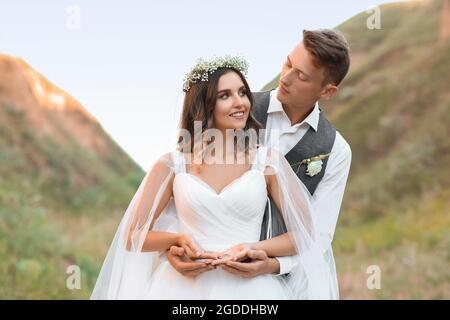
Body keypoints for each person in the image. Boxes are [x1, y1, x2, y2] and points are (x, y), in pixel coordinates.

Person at [91, 55, 334, 299]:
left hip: (252, 292)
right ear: (204, 105)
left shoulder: (267, 162)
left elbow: (304, 234)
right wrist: (176, 239)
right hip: (180, 290)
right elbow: (133, 236)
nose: (240, 102)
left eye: (242, 92)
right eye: (225, 95)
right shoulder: (172, 165)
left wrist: (254, 248)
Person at [165, 29, 352, 300]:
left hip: (290, 282)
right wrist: (172, 246)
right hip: (203, 275)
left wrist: (275, 265)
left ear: (328, 91)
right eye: (288, 63)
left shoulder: (335, 149)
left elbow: (320, 233)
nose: (285, 77)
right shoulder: (235, 108)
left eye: (301, 75)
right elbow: (183, 182)